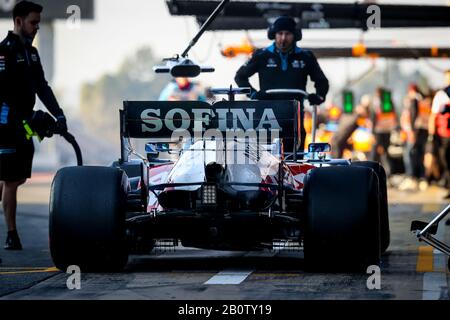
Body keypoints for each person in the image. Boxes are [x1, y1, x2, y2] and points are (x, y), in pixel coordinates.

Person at [0, 1, 68, 250]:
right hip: (5, 123)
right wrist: (18, 118)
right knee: (10, 179)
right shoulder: (4, 51)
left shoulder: (33, 52)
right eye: (33, 22)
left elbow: (42, 86)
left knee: (15, 177)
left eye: (39, 23)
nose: (37, 27)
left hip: (25, 125)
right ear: (18, 21)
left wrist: (58, 114)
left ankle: (8, 223)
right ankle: (11, 234)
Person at [234, 16, 329, 153]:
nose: (283, 38)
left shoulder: (306, 56)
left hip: (294, 117)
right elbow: (240, 77)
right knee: (267, 160)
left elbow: (322, 81)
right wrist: (254, 94)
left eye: (288, 34)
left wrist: (319, 96)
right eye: (280, 34)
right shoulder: (262, 55)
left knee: (295, 158)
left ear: (295, 35)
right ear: (273, 34)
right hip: (267, 117)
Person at [399, 84, 430, 191]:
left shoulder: (413, 99)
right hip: (423, 130)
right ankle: (422, 178)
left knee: (408, 154)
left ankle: (411, 177)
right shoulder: (424, 99)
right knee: (419, 154)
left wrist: (412, 131)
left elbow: (413, 115)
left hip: (415, 131)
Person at [429, 70, 450, 201]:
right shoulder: (441, 95)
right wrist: (432, 136)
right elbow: (433, 116)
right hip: (444, 136)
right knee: (446, 162)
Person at [331, 94, 371, 158]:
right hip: (337, 142)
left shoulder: (351, 116)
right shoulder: (356, 116)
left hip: (340, 140)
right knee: (336, 162)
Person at [370, 87, 399, 176]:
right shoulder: (390, 102)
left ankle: (376, 172)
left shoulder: (376, 103)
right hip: (388, 130)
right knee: (385, 151)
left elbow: (373, 118)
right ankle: (387, 172)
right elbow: (394, 115)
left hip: (379, 131)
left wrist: (373, 133)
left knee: (377, 153)